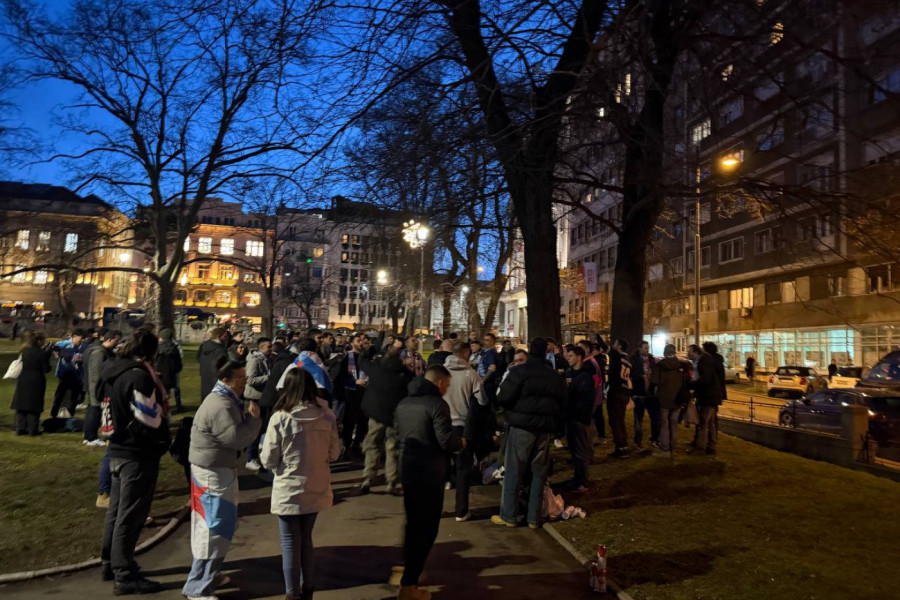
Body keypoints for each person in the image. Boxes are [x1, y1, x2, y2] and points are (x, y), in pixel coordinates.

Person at [99, 329, 170, 595]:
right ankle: (124, 574)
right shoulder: (139, 377)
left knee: (116, 512)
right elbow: (149, 419)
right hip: (137, 453)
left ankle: (110, 562)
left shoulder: (114, 371)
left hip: (117, 448)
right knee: (130, 515)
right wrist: (161, 441)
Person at [182, 359, 261, 600]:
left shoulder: (223, 399)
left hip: (215, 469)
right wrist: (254, 419)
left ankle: (208, 576)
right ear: (226, 380)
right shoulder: (220, 405)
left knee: (216, 525)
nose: (244, 383)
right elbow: (236, 438)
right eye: (241, 378)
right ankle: (198, 587)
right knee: (213, 527)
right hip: (213, 472)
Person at [261, 368, 340, 600]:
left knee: (289, 543)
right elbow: (334, 452)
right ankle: (308, 588)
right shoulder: (327, 415)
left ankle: (291, 593)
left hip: (289, 487)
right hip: (316, 485)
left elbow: (268, 459)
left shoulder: (281, 418)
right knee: (306, 539)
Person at [394, 365, 461, 600]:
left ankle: (408, 571)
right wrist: (459, 443)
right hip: (430, 471)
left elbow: (396, 433)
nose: (447, 389)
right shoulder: (436, 405)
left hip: (409, 467)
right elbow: (445, 440)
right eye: (447, 385)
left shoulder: (404, 403)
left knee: (413, 522)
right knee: (428, 527)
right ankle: (409, 584)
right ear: (439, 383)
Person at [492, 338, 565, 529]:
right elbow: (563, 402)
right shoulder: (553, 376)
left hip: (522, 427)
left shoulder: (519, 372)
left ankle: (509, 515)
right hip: (544, 429)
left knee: (514, 471)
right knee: (538, 473)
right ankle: (534, 517)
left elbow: (503, 397)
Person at [359, 338, 412, 494]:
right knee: (392, 448)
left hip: (375, 414)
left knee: (372, 444)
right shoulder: (405, 374)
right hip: (394, 416)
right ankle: (392, 481)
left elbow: (361, 360)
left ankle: (368, 477)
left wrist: (372, 346)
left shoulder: (376, 368)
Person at [442, 342, 486, 521]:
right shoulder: (472, 374)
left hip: (442, 424)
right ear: (466, 354)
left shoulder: (441, 372)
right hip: (461, 426)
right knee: (463, 470)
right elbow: (482, 400)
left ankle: (435, 509)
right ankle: (461, 511)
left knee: (439, 468)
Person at [650, 345, 691, 458]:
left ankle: (665, 448)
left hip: (663, 398)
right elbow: (686, 380)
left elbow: (654, 382)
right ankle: (674, 449)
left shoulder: (660, 366)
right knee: (674, 424)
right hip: (677, 399)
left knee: (664, 424)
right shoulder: (682, 365)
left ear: (665, 353)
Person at [564, 346, 595, 491]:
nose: (568, 358)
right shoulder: (573, 374)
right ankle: (577, 478)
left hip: (580, 420)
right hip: (572, 418)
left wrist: (577, 416)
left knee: (581, 451)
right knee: (574, 451)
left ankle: (582, 482)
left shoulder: (585, 377)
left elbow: (585, 400)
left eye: (571, 356)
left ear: (579, 357)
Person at [336, 333, 372, 459]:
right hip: (352, 393)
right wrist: (354, 381)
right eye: (358, 340)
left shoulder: (367, 357)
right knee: (350, 421)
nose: (361, 342)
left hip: (365, 393)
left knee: (363, 421)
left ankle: (357, 444)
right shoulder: (348, 357)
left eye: (363, 340)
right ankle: (347, 445)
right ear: (352, 342)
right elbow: (341, 377)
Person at [11, 330, 51, 436]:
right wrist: (47, 355)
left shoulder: (24, 351)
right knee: (34, 406)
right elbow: (46, 369)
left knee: (22, 405)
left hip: (23, 379)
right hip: (36, 380)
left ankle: (20, 427)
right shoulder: (41, 353)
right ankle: (32, 429)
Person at [687, 344, 723, 455]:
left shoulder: (703, 361)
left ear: (696, 352)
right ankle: (711, 446)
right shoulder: (704, 360)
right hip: (711, 396)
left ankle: (700, 448)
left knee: (703, 422)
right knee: (710, 423)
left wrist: (691, 384)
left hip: (708, 396)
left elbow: (705, 379)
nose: (688, 354)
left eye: (689, 352)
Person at [244, 337, 273, 472]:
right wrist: (268, 377)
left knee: (261, 427)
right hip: (255, 398)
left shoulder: (267, 359)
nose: (271, 349)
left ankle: (255, 454)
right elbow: (250, 379)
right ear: (261, 348)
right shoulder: (255, 360)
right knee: (255, 428)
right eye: (268, 347)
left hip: (262, 397)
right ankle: (250, 458)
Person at [50, 328, 87, 418]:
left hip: (77, 375)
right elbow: (54, 352)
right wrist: (62, 354)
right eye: (80, 338)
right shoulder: (64, 344)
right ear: (74, 336)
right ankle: (55, 414)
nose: (82, 341)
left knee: (73, 397)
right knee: (60, 396)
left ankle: (69, 415)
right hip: (64, 374)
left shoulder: (82, 346)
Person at [606, 338, 633, 459]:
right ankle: (624, 445)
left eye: (615, 344)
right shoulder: (628, 360)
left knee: (614, 421)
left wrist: (596, 335)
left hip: (616, 391)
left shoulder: (616, 357)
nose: (613, 345)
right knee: (621, 420)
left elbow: (607, 348)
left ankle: (620, 447)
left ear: (620, 347)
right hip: (625, 391)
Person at [630, 340, 659, 450]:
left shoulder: (651, 359)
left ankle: (655, 438)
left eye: (648, 348)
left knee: (655, 417)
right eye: (645, 348)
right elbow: (632, 375)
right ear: (639, 348)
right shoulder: (634, 360)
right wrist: (641, 376)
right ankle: (638, 441)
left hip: (651, 394)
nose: (647, 350)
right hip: (639, 393)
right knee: (638, 419)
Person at [578, 340, 606, 445]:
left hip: (592, 397)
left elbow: (594, 382)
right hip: (595, 396)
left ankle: (591, 441)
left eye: (580, 348)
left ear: (587, 349)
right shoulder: (590, 362)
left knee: (590, 420)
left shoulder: (589, 363)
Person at [156, 328, 184, 413]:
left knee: (159, 394)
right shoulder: (175, 347)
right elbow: (179, 363)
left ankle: (161, 410)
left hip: (159, 374)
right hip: (171, 375)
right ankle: (173, 407)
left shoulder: (158, 347)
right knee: (168, 393)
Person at [198, 327, 229, 399]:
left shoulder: (204, 345)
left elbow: (199, 358)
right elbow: (224, 368)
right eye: (225, 336)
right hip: (217, 381)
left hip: (205, 377)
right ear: (219, 337)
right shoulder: (221, 350)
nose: (227, 338)